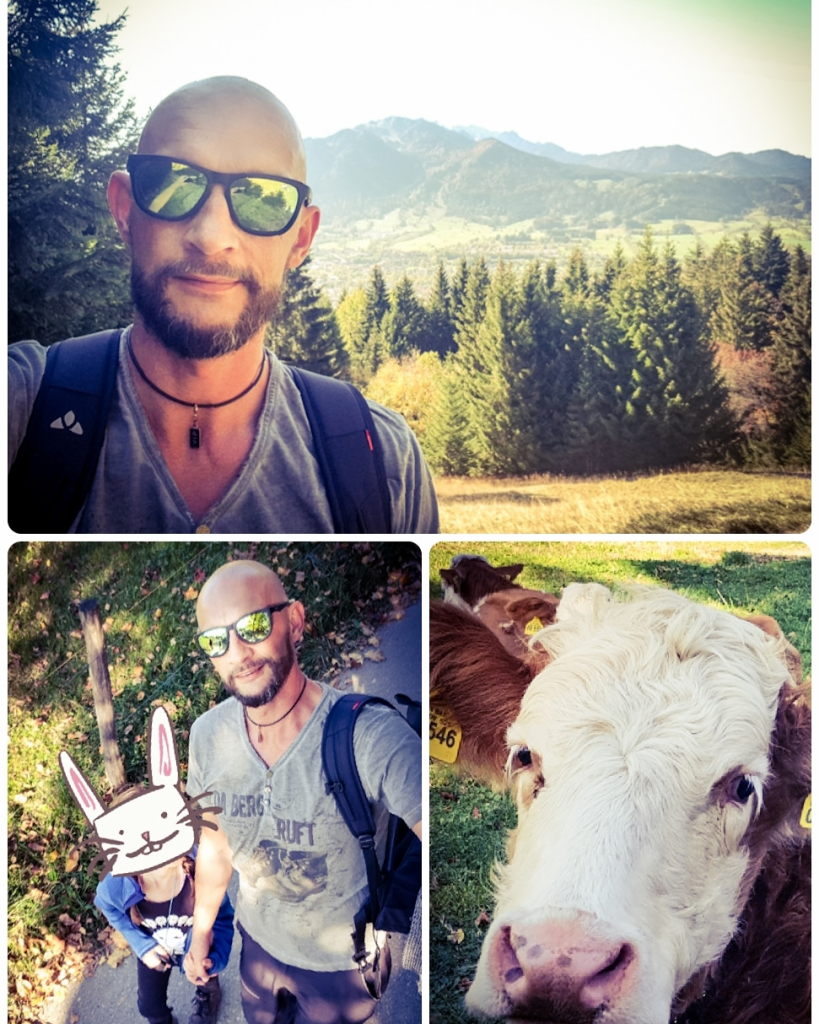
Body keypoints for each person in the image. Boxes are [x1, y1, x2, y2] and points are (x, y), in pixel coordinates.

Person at [8, 76, 439, 533]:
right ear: (124, 209)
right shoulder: (22, 408)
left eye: (263, 198)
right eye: (173, 181)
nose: (211, 238)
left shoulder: (383, 464)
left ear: (301, 237)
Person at [183, 559, 422, 1024]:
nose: (238, 652)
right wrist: (201, 931)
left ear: (294, 621)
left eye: (252, 625)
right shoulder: (206, 737)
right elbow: (214, 847)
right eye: (217, 640)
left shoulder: (369, 736)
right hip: (259, 949)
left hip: (341, 966)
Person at [94, 812, 234, 1024]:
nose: (155, 849)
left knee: (204, 979)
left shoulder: (202, 871)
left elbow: (222, 919)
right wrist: (142, 945)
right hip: (155, 949)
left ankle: (209, 997)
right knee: (149, 1006)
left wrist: (213, 962)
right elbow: (106, 906)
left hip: (198, 948)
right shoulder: (117, 883)